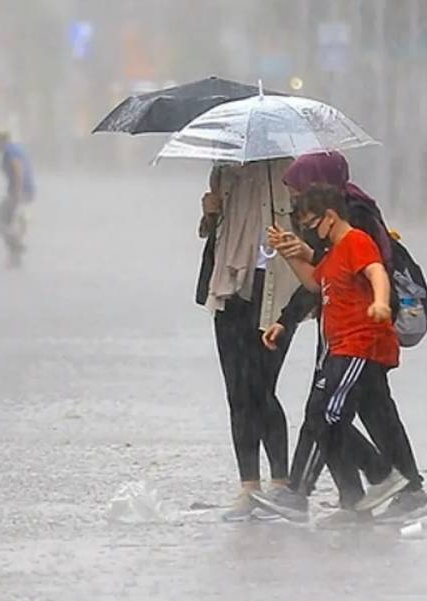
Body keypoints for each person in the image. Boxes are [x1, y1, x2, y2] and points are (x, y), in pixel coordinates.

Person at [252, 155, 427, 524]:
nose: (297, 203)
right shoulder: (333, 225)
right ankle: (378, 496)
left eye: (300, 193)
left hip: (359, 334)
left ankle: (316, 490)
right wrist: (293, 270)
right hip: (347, 332)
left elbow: (368, 270)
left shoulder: (354, 223)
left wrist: (379, 303)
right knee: (371, 414)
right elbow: (321, 278)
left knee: (324, 414)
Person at [196, 159, 301, 521]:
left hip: (276, 290)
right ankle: (249, 486)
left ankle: (281, 484)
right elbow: (214, 235)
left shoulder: (290, 172)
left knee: (261, 387)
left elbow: (310, 232)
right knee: (237, 391)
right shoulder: (223, 170)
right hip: (229, 288)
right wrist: (210, 214)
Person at [0, 129, 36, 268]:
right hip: (23, 191)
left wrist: (17, 194)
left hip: (18, 192)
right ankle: (14, 259)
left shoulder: (9, 151)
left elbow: (18, 169)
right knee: (9, 224)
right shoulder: (13, 148)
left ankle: (15, 245)